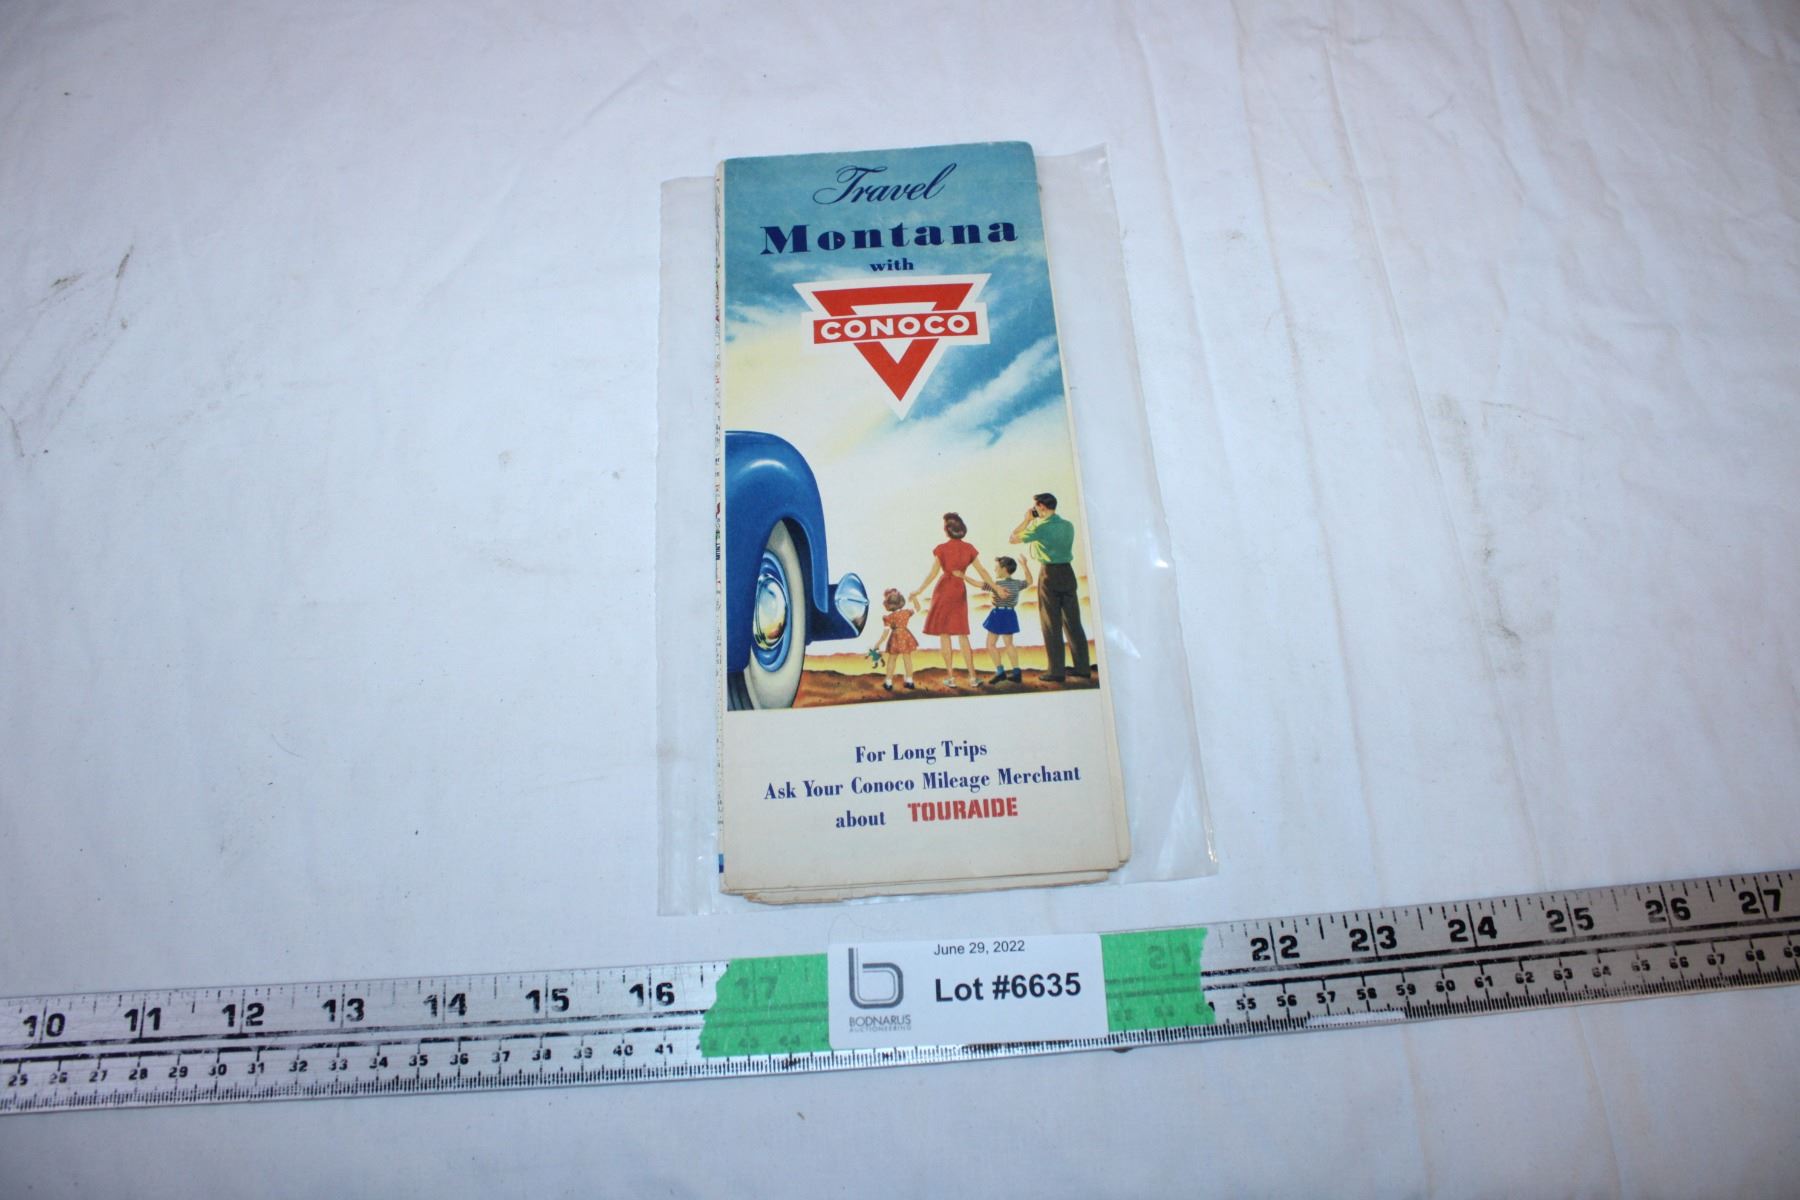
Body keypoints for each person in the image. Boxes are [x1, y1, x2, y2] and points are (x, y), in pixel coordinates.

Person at [1010, 492, 1090, 682]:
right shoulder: (1068, 525)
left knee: (1050, 623)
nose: (1034, 510)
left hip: (1049, 574)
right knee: (1073, 622)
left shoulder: (1041, 527)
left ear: (1041, 507)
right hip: (1068, 572)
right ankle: (1083, 668)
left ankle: (1056, 671)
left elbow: (1013, 538)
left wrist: (1027, 520)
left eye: (1036, 507)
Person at [910, 512, 995, 689]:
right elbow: (982, 571)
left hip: (943, 591)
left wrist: (919, 590)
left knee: (945, 634)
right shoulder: (969, 548)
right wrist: (994, 587)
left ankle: (951, 677)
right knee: (962, 634)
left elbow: (933, 574)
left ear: (947, 530)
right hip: (958, 590)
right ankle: (972, 677)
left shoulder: (942, 548)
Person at [977, 555, 1032, 684]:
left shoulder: (997, 585)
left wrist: (963, 576)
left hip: (998, 614)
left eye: (997, 567)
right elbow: (1029, 581)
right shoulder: (1016, 584)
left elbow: (978, 583)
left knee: (990, 644)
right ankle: (1016, 673)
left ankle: (1000, 672)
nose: (995, 570)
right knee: (1009, 644)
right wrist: (1025, 565)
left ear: (1004, 569)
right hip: (1010, 614)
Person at [872, 589, 918, 692]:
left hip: (895, 638)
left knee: (892, 660)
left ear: (888, 605)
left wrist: (878, 643)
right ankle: (910, 681)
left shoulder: (888, 618)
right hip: (906, 636)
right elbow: (917, 608)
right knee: (907, 659)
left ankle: (888, 683)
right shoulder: (906, 613)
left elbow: (885, 633)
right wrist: (914, 598)